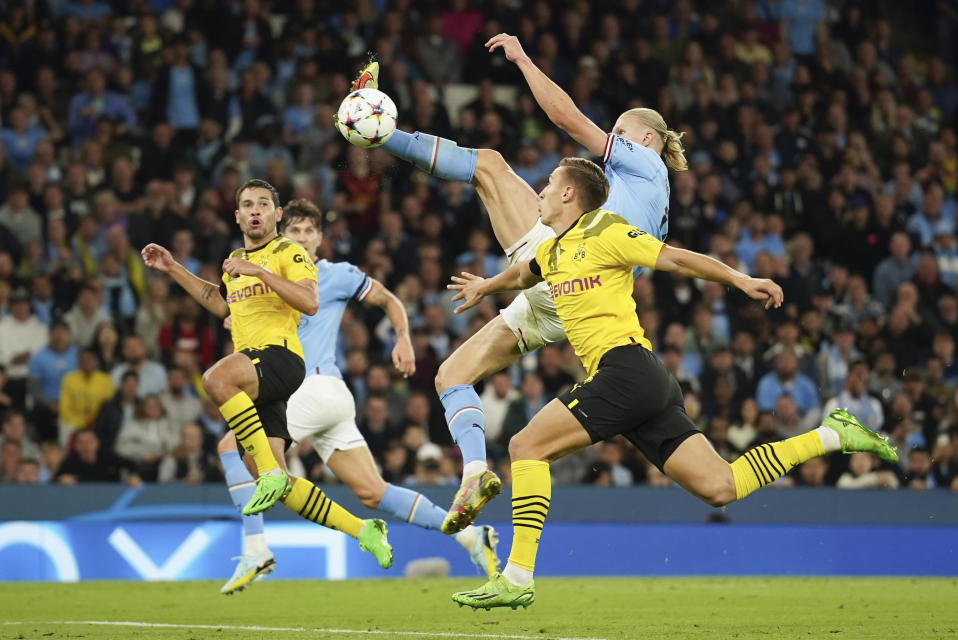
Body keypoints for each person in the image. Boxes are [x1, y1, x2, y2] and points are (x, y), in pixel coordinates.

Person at [446, 158, 898, 609]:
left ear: (569, 194)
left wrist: (740, 279)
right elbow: (524, 274)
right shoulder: (553, 251)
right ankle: (834, 433)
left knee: (526, 447)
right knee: (721, 486)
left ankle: (517, 576)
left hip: (625, 370)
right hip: (645, 383)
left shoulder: (607, 230)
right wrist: (486, 286)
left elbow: (677, 258)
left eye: (549, 185)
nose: (540, 193)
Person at [342, 33, 688, 533]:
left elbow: (568, 119)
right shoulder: (654, 206)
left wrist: (525, 59)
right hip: (565, 304)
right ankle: (476, 472)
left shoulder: (645, 161)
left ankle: (381, 134)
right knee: (449, 375)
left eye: (620, 131)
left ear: (648, 139)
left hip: (566, 269)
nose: (612, 138)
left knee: (489, 164)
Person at [217, 198, 501, 594]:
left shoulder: (334, 275)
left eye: (308, 231)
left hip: (312, 388)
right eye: (293, 231)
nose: (300, 237)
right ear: (283, 235)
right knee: (373, 491)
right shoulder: (265, 276)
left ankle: (255, 548)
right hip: (326, 399)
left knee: (233, 445)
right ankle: (473, 537)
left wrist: (403, 337)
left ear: (319, 240)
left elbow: (388, 298)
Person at [142, 179, 392, 568]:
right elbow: (219, 303)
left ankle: (272, 479)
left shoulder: (288, 251)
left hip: (282, 358)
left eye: (263, 204)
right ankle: (363, 530)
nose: (255, 210)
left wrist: (258, 273)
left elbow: (310, 301)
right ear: (237, 215)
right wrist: (173, 267)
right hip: (259, 378)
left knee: (214, 379)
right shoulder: (235, 260)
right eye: (247, 204)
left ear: (277, 215)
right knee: (272, 479)